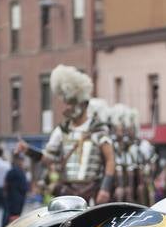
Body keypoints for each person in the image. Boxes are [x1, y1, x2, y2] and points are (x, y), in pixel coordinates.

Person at [29, 65, 116, 204]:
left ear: (84, 104)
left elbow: (110, 160)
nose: (68, 107)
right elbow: (48, 158)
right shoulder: (61, 131)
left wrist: (105, 188)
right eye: (67, 103)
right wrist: (28, 151)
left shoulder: (98, 129)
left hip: (92, 189)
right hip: (66, 192)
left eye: (72, 103)